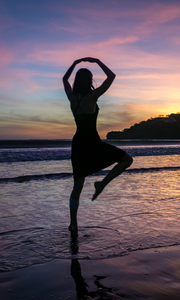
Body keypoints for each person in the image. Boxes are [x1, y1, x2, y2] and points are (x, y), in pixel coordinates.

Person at [63, 57, 133, 235]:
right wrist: (97, 61)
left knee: (77, 187)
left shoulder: (72, 98)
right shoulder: (92, 97)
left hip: (78, 143)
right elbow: (111, 76)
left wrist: (74, 64)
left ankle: (73, 224)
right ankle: (101, 184)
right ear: (89, 81)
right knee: (126, 160)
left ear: (77, 81)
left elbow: (64, 80)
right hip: (92, 142)